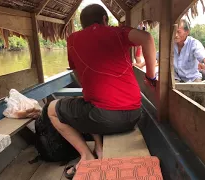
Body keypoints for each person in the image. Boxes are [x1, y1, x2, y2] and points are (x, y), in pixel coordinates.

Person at [46, 4, 157, 179]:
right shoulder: (118, 32)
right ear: (104, 19)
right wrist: (150, 76)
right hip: (135, 114)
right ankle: (98, 147)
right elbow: (148, 38)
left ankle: (87, 156)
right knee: (88, 102)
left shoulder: (73, 40)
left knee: (52, 109)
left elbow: (78, 74)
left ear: (83, 25)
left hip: (104, 118)